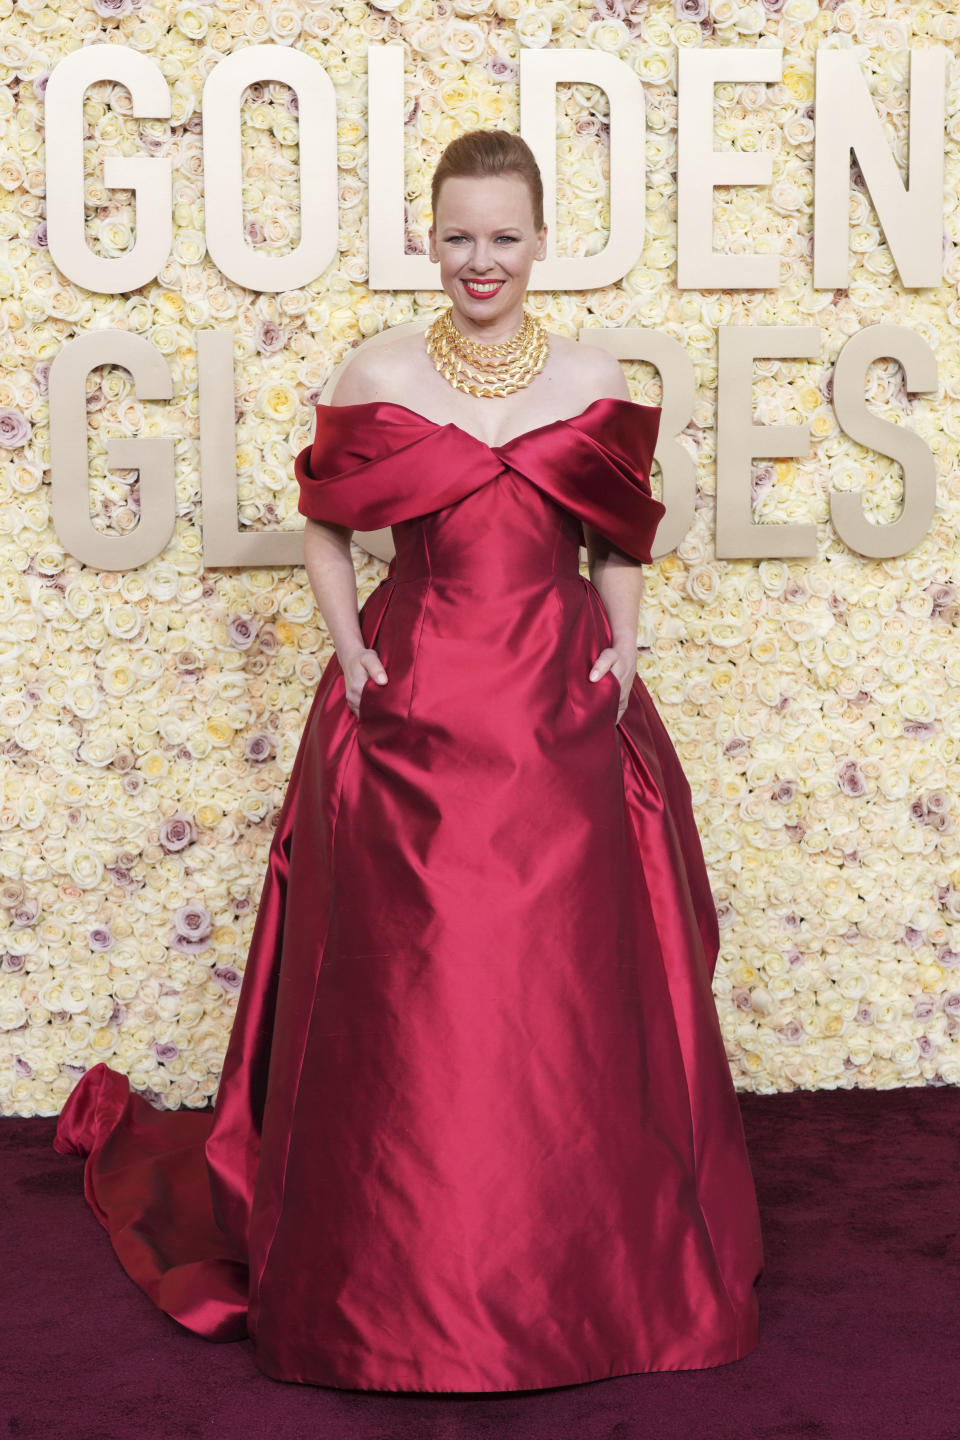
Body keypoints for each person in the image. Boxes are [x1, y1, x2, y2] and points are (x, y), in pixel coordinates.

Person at [54, 128, 763, 1393]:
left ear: (541, 243)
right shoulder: (376, 367)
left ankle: (579, 1273)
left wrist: (626, 652)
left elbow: (620, 548)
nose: (479, 261)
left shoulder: (596, 375)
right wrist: (353, 656)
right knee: (411, 993)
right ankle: (391, 1279)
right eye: (457, 236)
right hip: (412, 706)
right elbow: (327, 533)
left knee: (565, 996)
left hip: (559, 708)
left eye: (503, 237)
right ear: (428, 240)